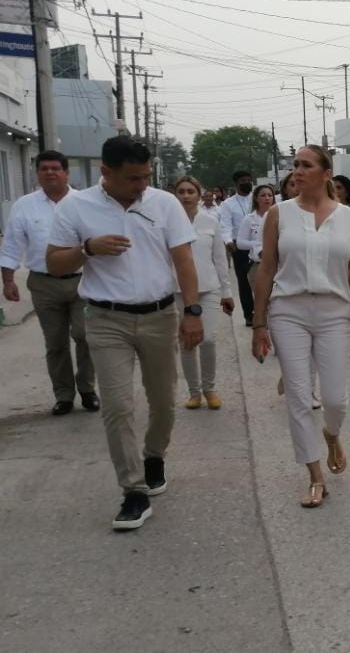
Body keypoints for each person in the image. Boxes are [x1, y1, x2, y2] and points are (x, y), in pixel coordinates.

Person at [46, 137, 205, 530]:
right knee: (118, 406)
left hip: (159, 315)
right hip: (105, 318)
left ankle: (154, 456)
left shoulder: (163, 204)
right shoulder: (76, 206)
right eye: (133, 178)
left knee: (165, 401)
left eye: (146, 176)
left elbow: (183, 260)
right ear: (106, 172)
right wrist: (88, 248)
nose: (141, 185)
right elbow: (53, 262)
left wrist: (192, 312)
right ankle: (132, 490)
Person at [251, 145, 350, 508]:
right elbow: (267, 270)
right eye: (295, 166)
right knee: (300, 397)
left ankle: (332, 433)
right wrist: (259, 323)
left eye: (306, 165)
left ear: (325, 172)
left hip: (335, 312)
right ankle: (315, 476)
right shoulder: (279, 214)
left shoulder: (348, 217)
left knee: (335, 399)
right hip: (288, 310)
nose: (297, 172)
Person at [0, 150, 98, 416]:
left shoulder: (85, 202)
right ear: (38, 173)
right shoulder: (25, 205)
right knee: (55, 343)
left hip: (82, 281)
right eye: (44, 168)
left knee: (84, 335)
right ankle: (64, 395)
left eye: (56, 168)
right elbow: (12, 243)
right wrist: (8, 279)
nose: (50, 172)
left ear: (66, 172)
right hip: (44, 284)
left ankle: (88, 389)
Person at [173, 177, 236, 410]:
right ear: (175, 194)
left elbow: (220, 260)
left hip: (208, 289)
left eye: (191, 191)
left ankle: (209, 388)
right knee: (187, 342)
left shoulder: (210, 221)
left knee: (207, 339)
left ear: (199, 195)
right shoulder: (167, 223)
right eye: (182, 191)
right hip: (177, 290)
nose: (186, 195)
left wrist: (226, 291)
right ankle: (194, 392)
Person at [219, 170, 257, 327]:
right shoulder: (227, 204)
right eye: (243, 180)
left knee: (264, 281)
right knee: (244, 282)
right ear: (236, 183)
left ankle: (264, 313)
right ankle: (249, 315)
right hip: (239, 248)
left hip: (259, 244)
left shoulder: (256, 198)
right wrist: (228, 241)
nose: (247, 183)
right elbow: (225, 226)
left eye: (249, 180)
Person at [238, 185, 275, 292]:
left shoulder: (280, 216)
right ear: (256, 198)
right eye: (263, 195)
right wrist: (259, 245)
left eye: (270, 195)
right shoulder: (249, 219)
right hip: (259, 265)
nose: (267, 198)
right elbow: (240, 243)